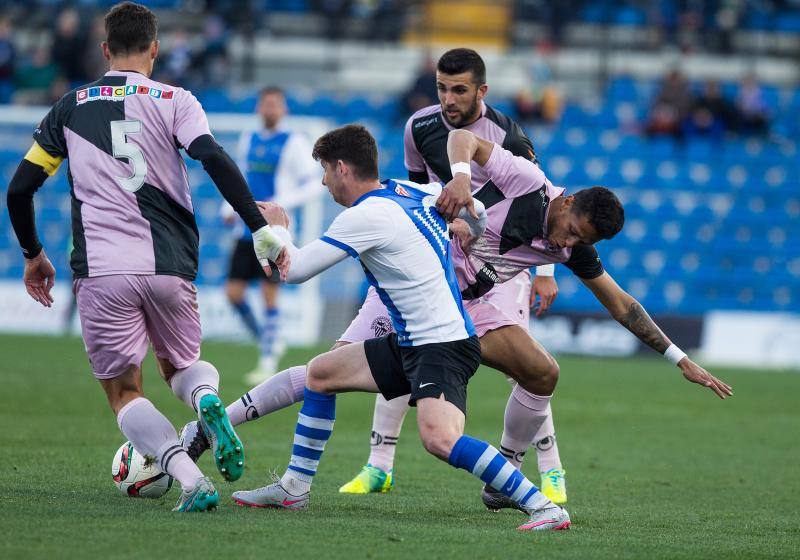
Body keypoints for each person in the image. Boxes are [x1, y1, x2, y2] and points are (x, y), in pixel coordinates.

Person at [181, 129, 732, 522]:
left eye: (578, 240)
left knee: (475, 417)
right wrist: (464, 195)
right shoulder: (520, 182)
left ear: (341, 170)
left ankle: (533, 495)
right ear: (562, 201)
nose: (567, 243)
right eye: (568, 229)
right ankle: (283, 479)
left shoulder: (388, 204)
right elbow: (463, 144)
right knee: (320, 373)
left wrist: (678, 358)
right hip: (414, 309)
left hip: (448, 327)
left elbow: (624, 305)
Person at [5, 2, 286, 513]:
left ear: (105, 49)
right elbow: (213, 158)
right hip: (170, 263)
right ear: (155, 49)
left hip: (104, 269)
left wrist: (33, 254)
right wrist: (259, 227)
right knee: (182, 366)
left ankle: (190, 479)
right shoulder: (177, 99)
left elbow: (19, 189)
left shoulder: (70, 106)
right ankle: (204, 400)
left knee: (123, 393)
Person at [229, 124, 572, 532]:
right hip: (415, 341)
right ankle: (294, 487)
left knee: (439, 439)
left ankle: (545, 507)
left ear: (341, 168)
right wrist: (468, 231)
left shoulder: (365, 215)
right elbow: (476, 211)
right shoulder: (415, 191)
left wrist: (281, 227)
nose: (323, 181)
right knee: (321, 373)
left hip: (442, 346)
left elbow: (296, 271)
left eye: (324, 171)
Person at [340, 47, 566, 503]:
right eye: (442, 88)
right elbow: (417, 191)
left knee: (525, 368)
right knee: (403, 345)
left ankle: (550, 470)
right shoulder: (418, 127)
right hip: (435, 259)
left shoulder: (508, 136)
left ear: (481, 91)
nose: (448, 99)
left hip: (498, 267)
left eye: (458, 90)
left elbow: (539, 206)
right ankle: (378, 465)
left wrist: (542, 271)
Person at [222, 86, 320, 383]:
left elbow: (314, 184)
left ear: (284, 109)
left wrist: (279, 205)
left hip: (274, 232)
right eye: (266, 104)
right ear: (258, 108)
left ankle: (268, 359)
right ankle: (268, 339)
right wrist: (228, 208)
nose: (270, 109)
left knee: (269, 294)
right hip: (246, 228)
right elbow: (239, 179)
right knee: (233, 293)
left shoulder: (294, 143)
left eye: (276, 104)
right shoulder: (248, 139)